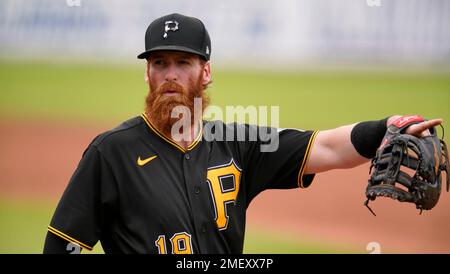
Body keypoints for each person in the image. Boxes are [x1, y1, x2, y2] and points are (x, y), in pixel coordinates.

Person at [43, 13, 442, 254]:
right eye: (159, 63)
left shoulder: (238, 144)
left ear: (206, 71)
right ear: (147, 72)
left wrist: (385, 129)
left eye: (183, 62)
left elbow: (326, 145)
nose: (170, 75)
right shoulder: (111, 153)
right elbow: (63, 245)